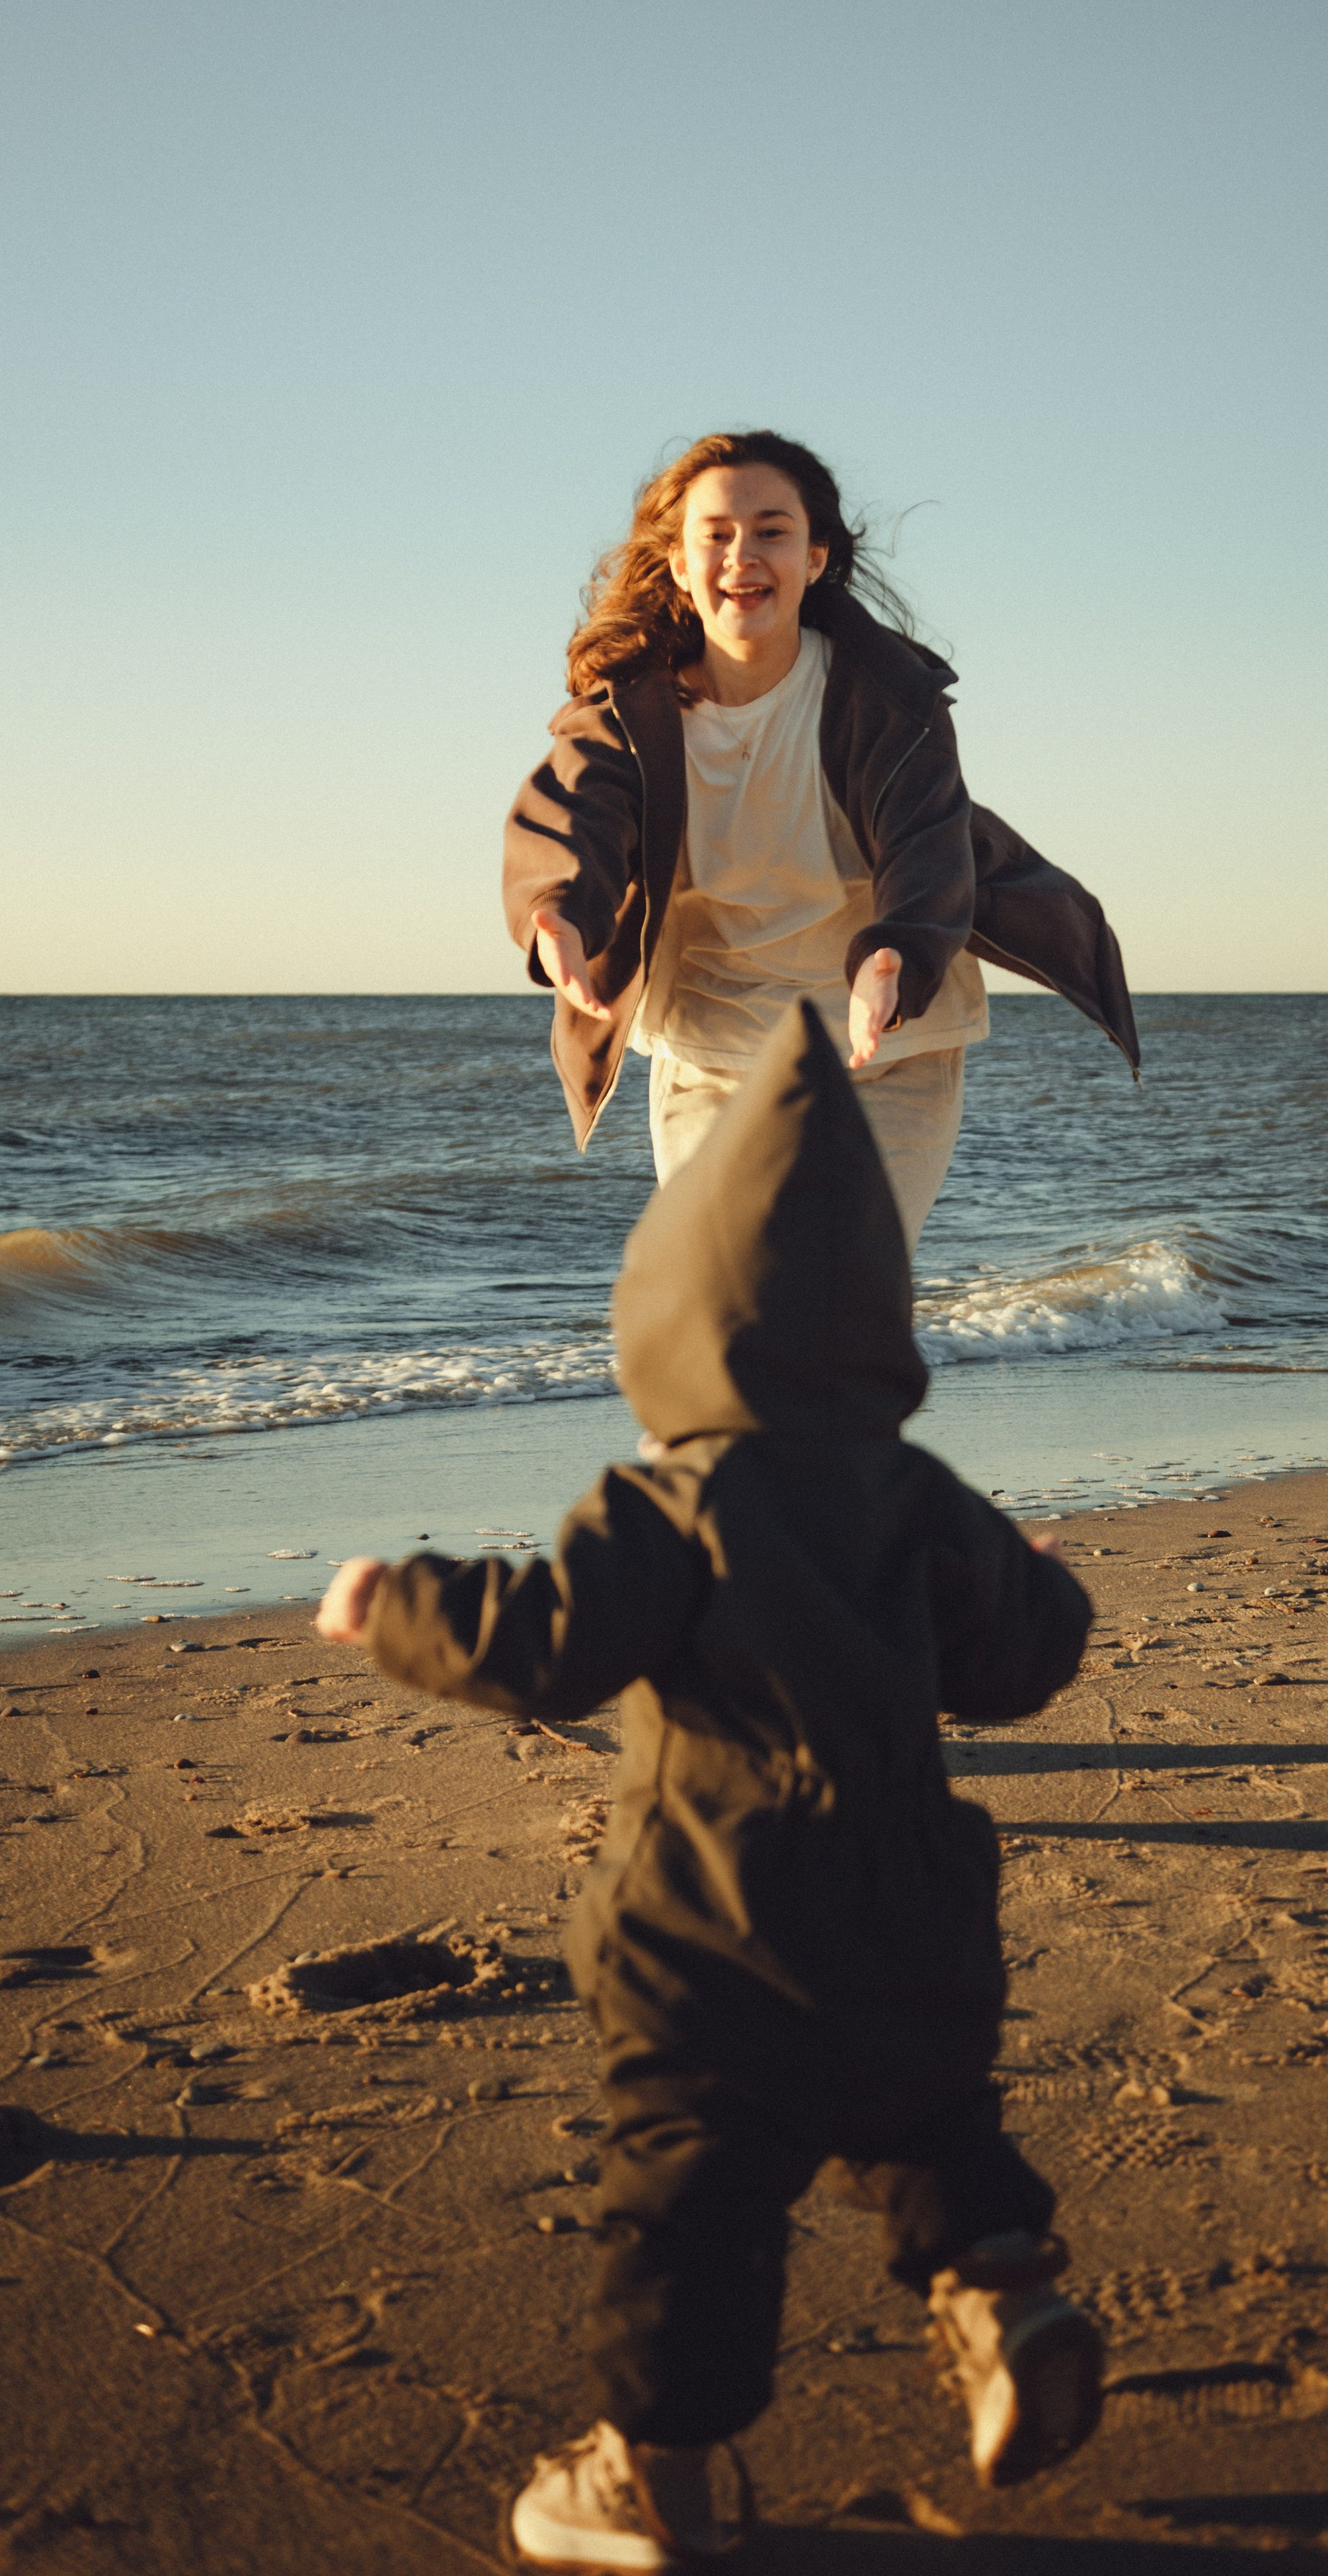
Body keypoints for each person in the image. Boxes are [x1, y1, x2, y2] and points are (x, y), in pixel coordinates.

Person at [318, 1002, 1103, 2567]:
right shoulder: (918, 1494)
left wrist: (391, 1602)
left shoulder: (667, 1499)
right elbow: (1013, 1666)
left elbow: (545, 1647)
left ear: (670, 1306)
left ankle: (651, 2482)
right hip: (913, 1917)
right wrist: (1048, 1586)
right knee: (929, 2122)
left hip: (714, 1933)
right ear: (873, 1309)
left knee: (686, 2197)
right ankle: (1004, 2294)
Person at [504, 430, 1140, 1252]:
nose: (744, 555)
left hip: (886, 1048)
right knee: (736, 1301)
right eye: (717, 535)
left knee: (836, 1290)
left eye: (772, 531)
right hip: (712, 1055)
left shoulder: (885, 698)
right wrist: (557, 913)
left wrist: (894, 957)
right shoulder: (630, 713)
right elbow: (575, 814)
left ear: (814, 559)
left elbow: (928, 842)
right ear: (676, 565)